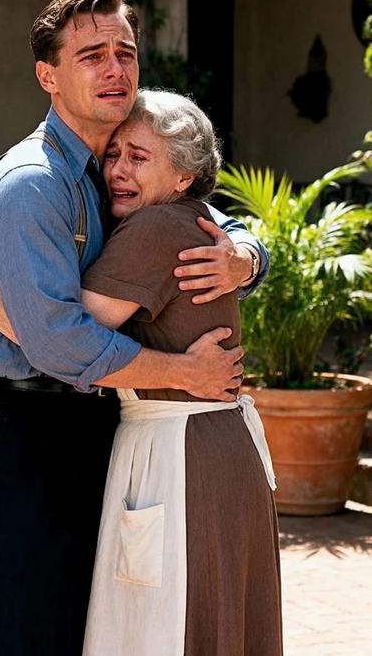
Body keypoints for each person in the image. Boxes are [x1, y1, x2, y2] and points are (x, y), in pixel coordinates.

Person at [0, 0, 269, 656]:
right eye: (91, 55)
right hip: (30, 428)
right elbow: (58, 341)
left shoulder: (114, 164)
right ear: (48, 75)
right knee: (26, 632)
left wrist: (247, 256)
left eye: (124, 53)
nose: (114, 68)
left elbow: (202, 213)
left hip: (101, 421)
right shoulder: (35, 182)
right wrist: (183, 371)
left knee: (88, 627)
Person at [76, 90, 282, 655]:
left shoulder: (155, 228)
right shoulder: (187, 219)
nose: (118, 170)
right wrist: (250, 254)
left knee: (171, 624)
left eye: (138, 157)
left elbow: (67, 337)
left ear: (184, 177)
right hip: (215, 444)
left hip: (183, 452)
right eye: (114, 154)